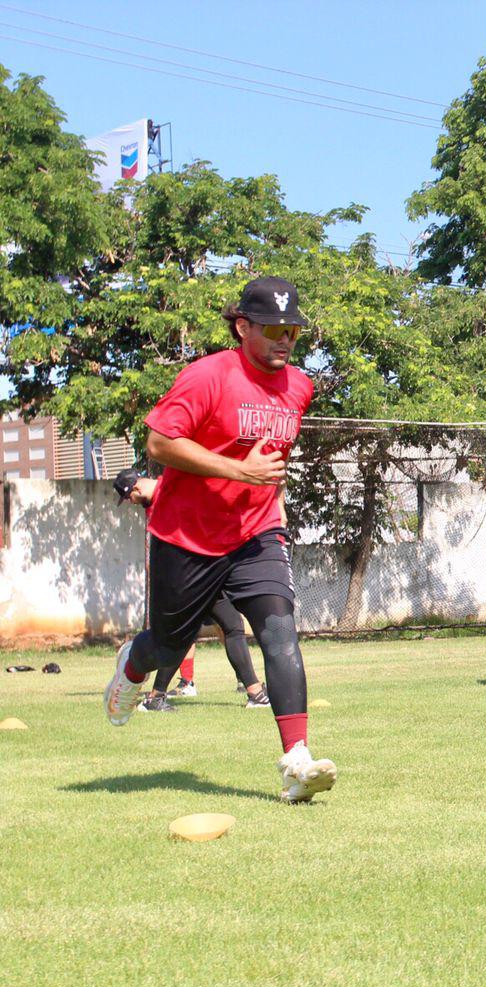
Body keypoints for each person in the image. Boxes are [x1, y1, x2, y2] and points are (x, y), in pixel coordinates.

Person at [101, 276, 337, 803]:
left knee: (279, 628)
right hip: (186, 536)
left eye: (293, 332)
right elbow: (160, 443)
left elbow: (271, 463)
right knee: (166, 644)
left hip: (256, 532)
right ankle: (132, 669)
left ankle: (296, 760)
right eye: (274, 329)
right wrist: (239, 471)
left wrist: (266, 503)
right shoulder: (208, 376)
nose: (284, 340)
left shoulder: (299, 387)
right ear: (243, 326)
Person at [114, 469, 270, 713]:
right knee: (198, 634)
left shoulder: (170, 493)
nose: (132, 504)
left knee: (228, 626)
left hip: (198, 574)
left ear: (135, 489)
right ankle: (253, 692)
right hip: (193, 578)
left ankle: (253, 692)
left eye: (130, 499)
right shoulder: (160, 498)